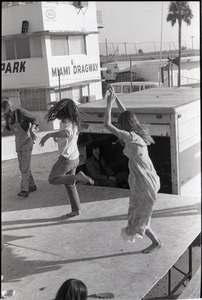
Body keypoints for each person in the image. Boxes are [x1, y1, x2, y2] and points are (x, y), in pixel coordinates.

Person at [104, 86, 162, 254]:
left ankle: (157, 242)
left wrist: (108, 104)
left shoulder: (130, 137)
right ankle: (156, 242)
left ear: (124, 126)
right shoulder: (138, 132)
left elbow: (107, 124)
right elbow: (127, 112)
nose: (118, 126)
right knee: (140, 216)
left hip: (144, 182)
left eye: (120, 124)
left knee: (138, 217)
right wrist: (115, 98)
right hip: (146, 179)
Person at [39, 98, 94, 217]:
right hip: (75, 157)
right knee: (70, 184)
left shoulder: (67, 122)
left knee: (52, 179)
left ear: (63, 111)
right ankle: (76, 210)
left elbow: (67, 133)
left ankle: (79, 176)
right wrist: (58, 137)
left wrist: (49, 135)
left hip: (67, 159)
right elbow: (69, 135)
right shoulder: (74, 120)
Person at [1, 99, 39, 198]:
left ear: (7, 108)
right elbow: (8, 130)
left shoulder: (20, 112)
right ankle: (32, 185)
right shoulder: (8, 118)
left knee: (25, 166)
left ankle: (24, 189)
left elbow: (35, 119)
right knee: (22, 166)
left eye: (3, 110)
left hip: (27, 141)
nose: (2, 112)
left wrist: (32, 129)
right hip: (18, 143)